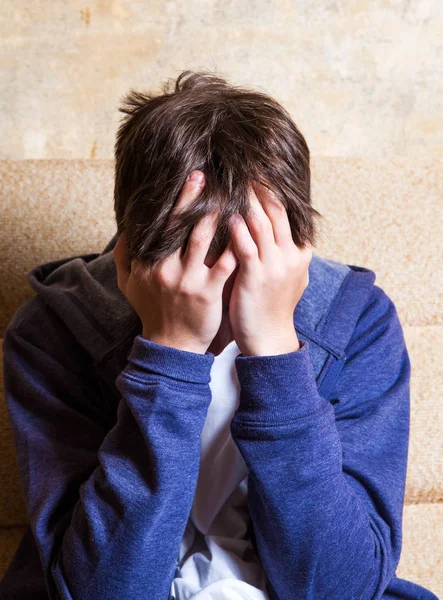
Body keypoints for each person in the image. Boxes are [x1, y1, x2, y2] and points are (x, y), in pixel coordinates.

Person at [0, 70, 439, 600]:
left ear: (297, 250)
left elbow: (341, 588)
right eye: (191, 268)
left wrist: (276, 350)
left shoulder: (358, 321)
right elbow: (102, 590)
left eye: (255, 264)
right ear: (127, 260)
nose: (218, 300)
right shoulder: (52, 330)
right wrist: (169, 354)